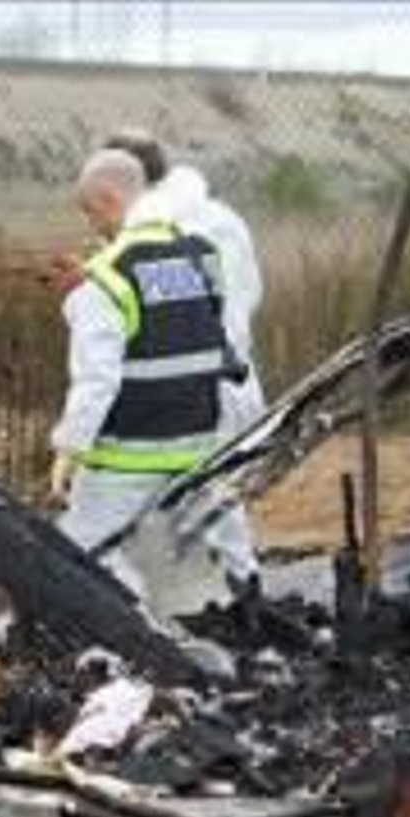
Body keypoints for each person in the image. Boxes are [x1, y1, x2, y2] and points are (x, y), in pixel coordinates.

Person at [50, 149, 255, 594]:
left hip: (128, 453)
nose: (92, 225)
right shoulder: (202, 255)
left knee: (77, 557)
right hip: (200, 443)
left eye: (90, 212)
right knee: (222, 546)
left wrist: (69, 449)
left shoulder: (106, 278)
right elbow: (201, 334)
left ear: (107, 199)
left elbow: (96, 380)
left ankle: (126, 639)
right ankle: (249, 611)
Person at [103, 129, 267, 438]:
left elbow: (159, 320)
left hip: (186, 410)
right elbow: (250, 294)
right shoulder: (224, 218)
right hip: (238, 391)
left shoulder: (153, 237)